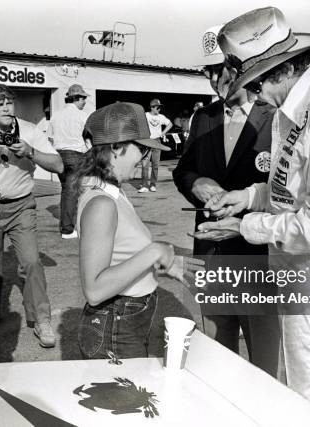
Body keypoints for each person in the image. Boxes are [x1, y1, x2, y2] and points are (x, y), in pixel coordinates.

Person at [197, 7, 310, 421]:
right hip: (295, 271)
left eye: (255, 83)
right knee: (296, 396)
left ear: (282, 71)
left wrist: (246, 225)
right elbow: (287, 191)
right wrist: (247, 197)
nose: (252, 94)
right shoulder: (292, 115)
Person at [173, 23, 278, 377]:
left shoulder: (275, 118)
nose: (212, 78)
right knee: (219, 357)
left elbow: (285, 190)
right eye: (207, 71)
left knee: (265, 361)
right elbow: (182, 171)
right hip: (213, 254)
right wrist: (196, 181)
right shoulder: (203, 118)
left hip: (258, 256)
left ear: (241, 68)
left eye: (218, 70)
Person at [74, 102, 203, 359]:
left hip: (126, 319)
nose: (145, 157)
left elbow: (120, 256)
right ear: (115, 147)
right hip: (116, 325)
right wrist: (155, 251)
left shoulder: (112, 192)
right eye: (141, 148)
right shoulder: (102, 203)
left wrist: (157, 266)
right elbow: (95, 290)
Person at [0, 84, 63, 348]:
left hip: (22, 205)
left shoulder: (31, 131)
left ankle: (42, 320)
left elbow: (58, 164)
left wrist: (30, 152)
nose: (7, 108)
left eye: (10, 102)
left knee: (32, 262)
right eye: (0, 104)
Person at [48, 84, 91, 239]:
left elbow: (50, 138)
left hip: (58, 155)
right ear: (77, 98)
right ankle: (68, 229)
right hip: (76, 155)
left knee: (66, 190)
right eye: (83, 98)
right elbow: (89, 138)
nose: (85, 101)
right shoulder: (82, 116)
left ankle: (69, 224)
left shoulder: (55, 116)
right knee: (73, 191)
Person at [138, 99, 172, 193]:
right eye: (158, 107)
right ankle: (144, 185)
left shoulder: (161, 117)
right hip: (147, 141)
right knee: (145, 165)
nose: (159, 109)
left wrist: (163, 133)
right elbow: (138, 124)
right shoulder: (145, 115)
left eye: (160, 107)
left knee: (155, 165)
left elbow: (170, 124)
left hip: (157, 141)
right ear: (152, 107)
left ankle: (153, 184)